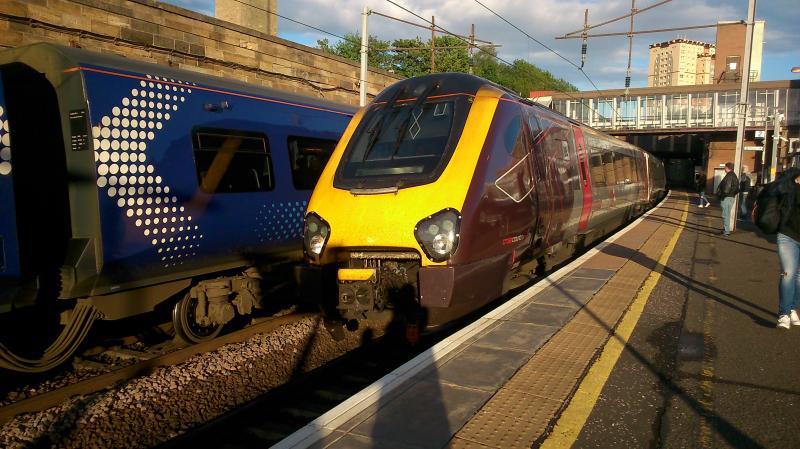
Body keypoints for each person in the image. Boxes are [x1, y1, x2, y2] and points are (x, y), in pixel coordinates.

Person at [771, 167, 800, 329]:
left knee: (799, 277)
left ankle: (792, 308)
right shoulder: (788, 187)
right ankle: (783, 314)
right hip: (787, 236)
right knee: (788, 274)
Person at [715, 162, 739, 236]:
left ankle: (726, 231)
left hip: (726, 197)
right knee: (727, 214)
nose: (724, 169)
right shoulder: (734, 175)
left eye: (725, 167)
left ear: (727, 168)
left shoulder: (729, 176)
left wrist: (722, 196)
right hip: (731, 197)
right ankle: (726, 229)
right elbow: (736, 188)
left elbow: (726, 189)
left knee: (725, 215)